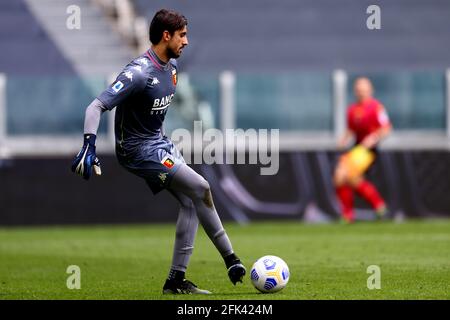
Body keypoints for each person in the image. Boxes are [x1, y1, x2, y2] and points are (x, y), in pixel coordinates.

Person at [71, 9, 246, 294]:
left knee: (190, 202)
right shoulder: (138, 73)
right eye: (182, 35)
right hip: (136, 150)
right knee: (201, 187)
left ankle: (175, 281)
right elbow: (96, 106)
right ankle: (232, 259)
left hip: (159, 144)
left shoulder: (172, 71)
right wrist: (88, 144)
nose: (186, 41)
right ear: (166, 36)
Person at [334, 77, 392, 224]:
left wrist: (374, 137)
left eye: (364, 90)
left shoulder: (376, 107)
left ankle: (354, 213)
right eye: (359, 90)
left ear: (371, 90)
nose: (361, 93)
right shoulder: (352, 110)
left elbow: (386, 128)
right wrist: (343, 139)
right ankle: (376, 208)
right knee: (341, 178)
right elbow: (350, 130)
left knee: (345, 173)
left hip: (368, 150)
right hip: (357, 148)